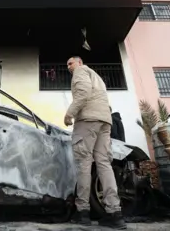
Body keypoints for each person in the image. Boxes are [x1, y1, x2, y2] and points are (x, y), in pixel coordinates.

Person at [64, 56, 126, 229]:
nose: (69, 67)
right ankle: (115, 214)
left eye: (71, 63)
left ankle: (82, 212)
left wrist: (69, 114)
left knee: (83, 163)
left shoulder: (81, 71)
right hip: (105, 121)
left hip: (88, 120)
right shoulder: (96, 76)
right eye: (67, 65)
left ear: (80, 62)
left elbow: (83, 93)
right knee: (104, 164)